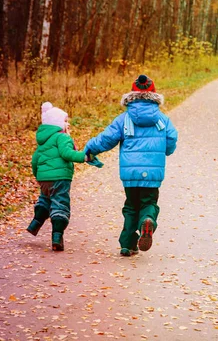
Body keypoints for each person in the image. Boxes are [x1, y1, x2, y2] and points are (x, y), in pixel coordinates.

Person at [85, 75, 178, 256]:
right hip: (152, 173)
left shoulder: (124, 118)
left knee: (130, 206)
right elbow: (172, 137)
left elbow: (106, 138)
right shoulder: (162, 120)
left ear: (132, 93)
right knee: (149, 202)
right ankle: (148, 220)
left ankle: (127, 244)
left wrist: (90, 149)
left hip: (130, 173)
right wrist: (166, 150)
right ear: (154, 94)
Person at [27, 102, 98, 251]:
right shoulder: (62, 137)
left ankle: (34, 224)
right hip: (60, 178)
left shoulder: (43, 141)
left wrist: (38, 176)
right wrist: (85, 157)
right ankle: (57, 237)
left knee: (45, 200)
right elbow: (67, 154)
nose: (68, 124)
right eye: (65, 121)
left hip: (44, 179)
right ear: (57, 124)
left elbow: (35, 160)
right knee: (60, 204)